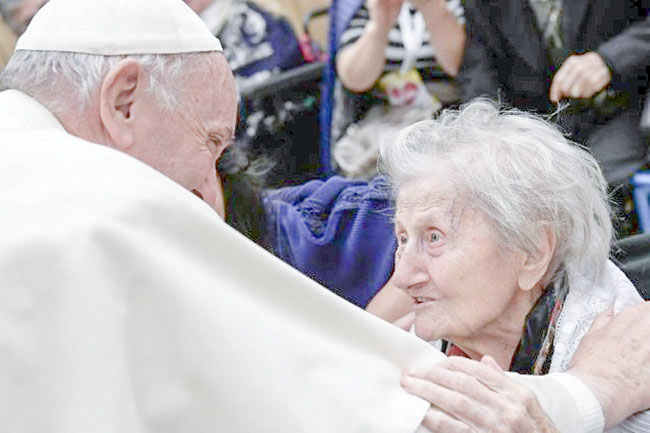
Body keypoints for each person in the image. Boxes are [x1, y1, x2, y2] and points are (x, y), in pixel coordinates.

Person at [0, 1, 649, 432]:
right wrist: (586, 396)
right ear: (124, 103)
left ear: (534, 252)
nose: (211, 185)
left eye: (432, 238)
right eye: (209, 141)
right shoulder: (95, 217)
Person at [375, 99, 650, 430]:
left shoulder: (632, 365)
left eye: (434, 237)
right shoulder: (416, 346)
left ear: (532, 252)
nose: (403, 278)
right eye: (403, 239)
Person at [460, 0, 650, 235]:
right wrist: (484, 131)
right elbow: (479, 71)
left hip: (622, 107)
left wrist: (608, 60)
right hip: (536, 124)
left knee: (603, 193)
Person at [332, 0, 465, 178]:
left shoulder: (459, 5)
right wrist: (380, 23)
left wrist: (432, 8)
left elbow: (462, 66)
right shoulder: (359, 6)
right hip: (386, 120)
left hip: (450, 115)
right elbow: (355, 80)